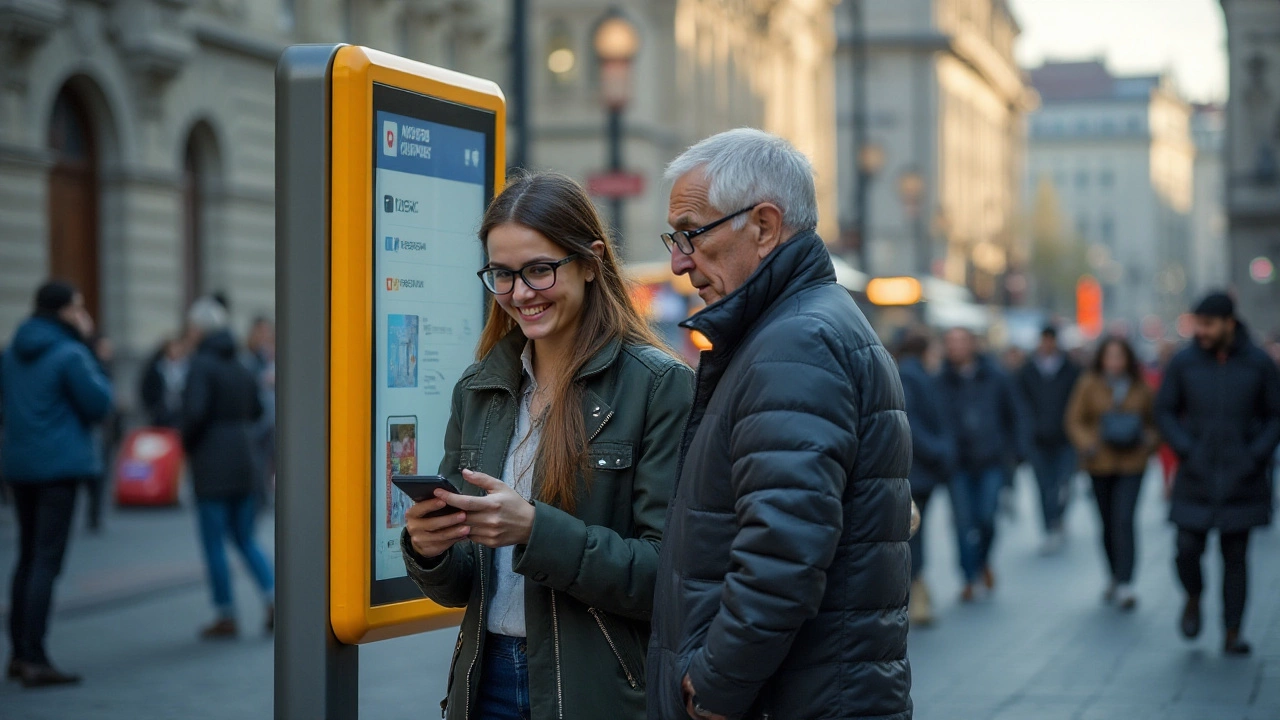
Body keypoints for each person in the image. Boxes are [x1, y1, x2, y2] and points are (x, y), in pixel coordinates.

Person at [401, 172, 694, 720]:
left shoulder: (658, 385)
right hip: (485, 683)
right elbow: (460, 586)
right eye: (502, 275)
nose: (519, 293)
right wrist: (429, 549)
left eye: (539, 269)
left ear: (589, 262)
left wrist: (536, 531)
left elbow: (668, 575)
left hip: (599, 692)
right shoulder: (478, 389)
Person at [647, 129, 913, 720]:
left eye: (691, 234)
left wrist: (715, 683)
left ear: (764, 227)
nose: (679, 260)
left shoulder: (797, 342)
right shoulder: (800, 328)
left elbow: (783, 548)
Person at [1156, 292, 1280, 655]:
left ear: (1229, 323)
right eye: (1198, 324)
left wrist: (1254, 455)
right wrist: (1187, 449)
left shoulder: (1258, 363)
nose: (1201, 332)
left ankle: (1233, 631)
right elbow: (1165, 411)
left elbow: (1276, 415)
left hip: (1244, 478)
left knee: (1236, 557)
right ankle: (1193, 596)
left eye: (1208, 324)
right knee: (1186, 549)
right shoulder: (1184, 363)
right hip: (1196, 474)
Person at [2, 281, 112, 687]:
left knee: (27, 557)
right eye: (78, 307)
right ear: (64, 311)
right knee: (47, 561)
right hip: (59, 469)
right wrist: (90, 348)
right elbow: (99, 404)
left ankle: (17, 654)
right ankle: (35, 657)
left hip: (19, 465)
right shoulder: (71, 353)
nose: (83, 314)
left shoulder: (12, 352)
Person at [181, 297, 275, 639]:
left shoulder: (200, 364)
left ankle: (225, 613)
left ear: (198, 329)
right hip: (245, 458)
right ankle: (272, 598)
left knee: (214, 542)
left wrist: (187, 443)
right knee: (245, 537)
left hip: (212, 463)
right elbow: (256, 408)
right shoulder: (239, 363)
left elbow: (193, 413)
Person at [1065, 337, 1159, 611]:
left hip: (1132, 463)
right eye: (1110, 357)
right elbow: (1074, 419)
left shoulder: (1142, 387)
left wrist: (1148, 441)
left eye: (1119, 357)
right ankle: (1114, 574)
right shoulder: (1089, 383)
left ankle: (1126, 581)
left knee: (1124, 520)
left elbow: (1156, 422)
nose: (1114, 362)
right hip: (1100, 463)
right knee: (1107, 522)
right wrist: (1088, 444)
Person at [938, 327, 1029, 602]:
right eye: (950, 342)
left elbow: (1015, 414)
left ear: (973, 344)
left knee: (987, 518)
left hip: (991, 459)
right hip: (958, 464)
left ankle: (983, 561)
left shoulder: (996, 377)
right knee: (964, 523)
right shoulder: (940, 381)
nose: (956, 348)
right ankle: (969, 576)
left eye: (961, 341)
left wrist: (1016, 451)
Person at [896, 330, 956, 627]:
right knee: (913, 530)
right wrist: (938, 450)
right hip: (916, 470)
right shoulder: (912, 377)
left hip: (918, 469)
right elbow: (911, 422)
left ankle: (917, 588)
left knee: (913, 530)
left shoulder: (911, 374)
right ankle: (916, 589)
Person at [1017, 326, 1082, 554]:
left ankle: (1059, 518)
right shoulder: (1027, 371)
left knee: (1064, 483)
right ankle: (1050, 526)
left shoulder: (1071, 370)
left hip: (1065, 439)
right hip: (1038, 440)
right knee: (1044, 486)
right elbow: (1020, 404)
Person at [139, 336, 189, 429]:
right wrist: (154, 409)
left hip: (182, 414)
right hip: (161, 415)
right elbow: (147, 390)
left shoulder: (189, 368)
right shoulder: (157, 368)